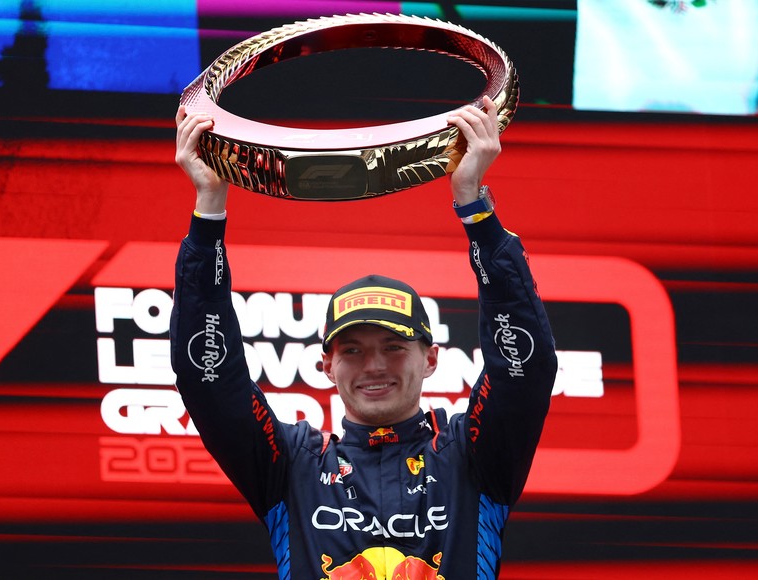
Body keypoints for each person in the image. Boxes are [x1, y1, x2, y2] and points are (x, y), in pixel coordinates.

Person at [170, 97, 557, 579]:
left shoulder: (472, 455)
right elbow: (209, 379)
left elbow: (524, 369)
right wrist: (208, 216)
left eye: (394, 347)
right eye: (352, 350)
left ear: (431, 358)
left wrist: (476, 211)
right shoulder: (292, 466)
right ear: (326, 366)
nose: (374, 365)